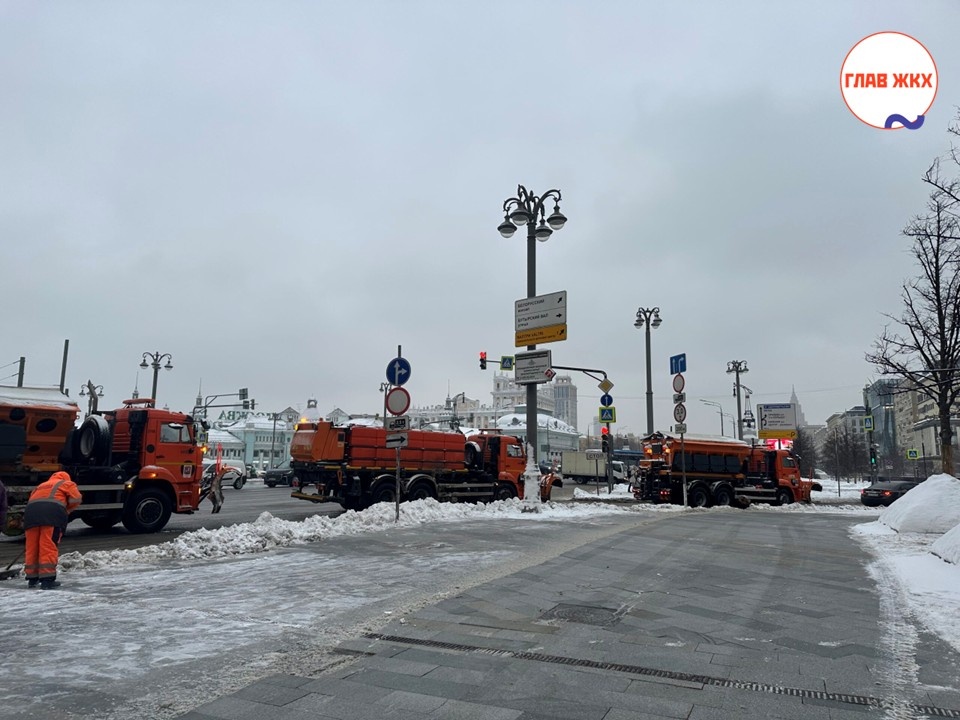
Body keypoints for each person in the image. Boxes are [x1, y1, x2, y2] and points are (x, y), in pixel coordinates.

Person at [23, 470, 82, 589]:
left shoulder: (41, 485)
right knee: (48, 545)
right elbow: (76, 499)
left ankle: (32, 579)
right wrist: (66, 510)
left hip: (31, 514)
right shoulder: (67, 484)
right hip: (51, 515)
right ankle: (47, 580)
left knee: (32, 546)